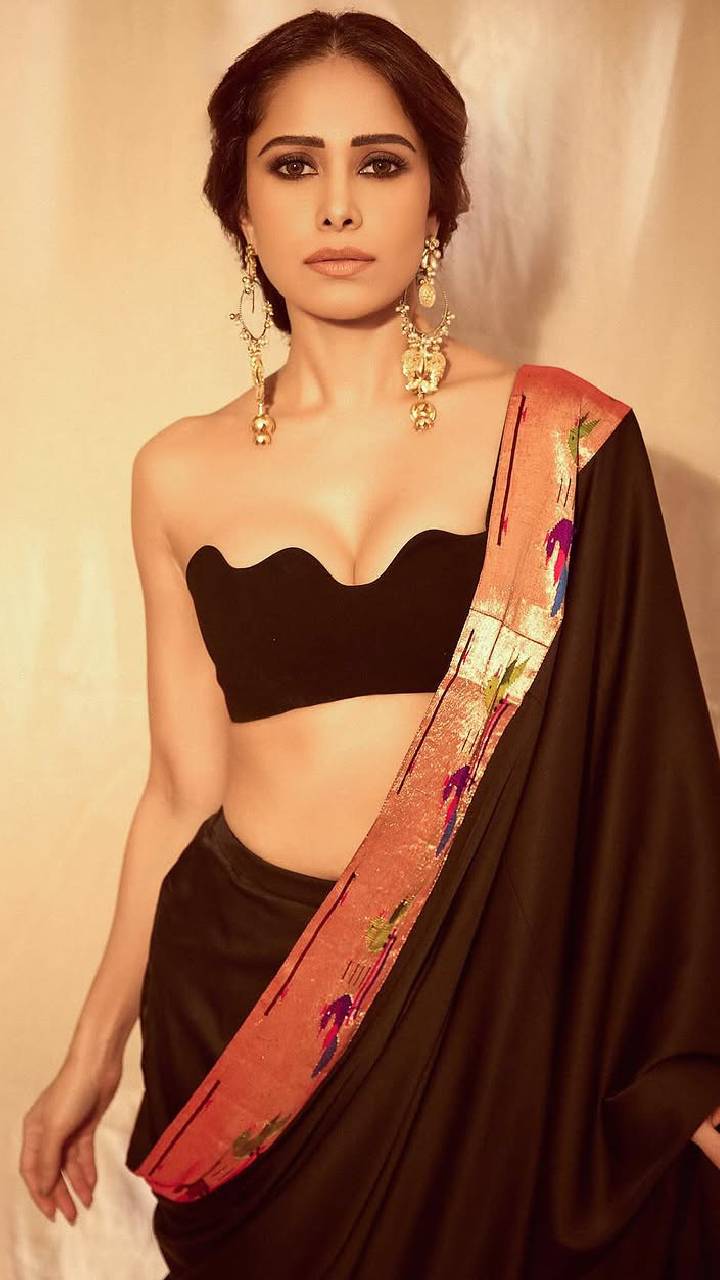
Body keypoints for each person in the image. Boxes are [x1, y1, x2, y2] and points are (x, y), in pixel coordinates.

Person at [19, 10, 720, 1279]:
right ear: (240, 204)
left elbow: (657, 788)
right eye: (293, 164)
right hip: (245, 1002)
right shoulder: (177, 470)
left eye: (380, 163)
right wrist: (91, 1047)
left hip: (501, 1000)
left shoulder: (565, 443)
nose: (337, 205)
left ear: (439, 199)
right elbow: (179, 787)